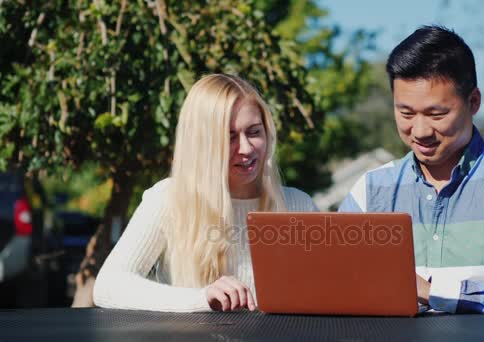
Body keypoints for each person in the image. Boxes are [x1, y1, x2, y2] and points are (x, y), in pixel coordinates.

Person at [339, 25, 484, 322]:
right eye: (406, 113)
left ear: (473, 102)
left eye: (437, 114)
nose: (419, 131)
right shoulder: (370, 190)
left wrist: (432, 290)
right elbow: (339, 283)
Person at [93, 74, 318, 312]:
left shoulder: (297, 204)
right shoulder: (168, 199)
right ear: (202, 142)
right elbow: (108, 286)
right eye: (229, 137)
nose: (246, 148)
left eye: (254, 132)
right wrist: (200, 299)